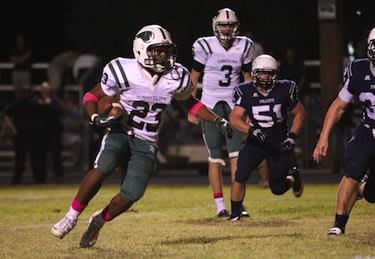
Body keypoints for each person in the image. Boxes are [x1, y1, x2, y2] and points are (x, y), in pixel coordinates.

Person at [50, 24, 233, 248]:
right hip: (121, 130)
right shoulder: (123, 69)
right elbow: (91, 95)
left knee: (132, 194)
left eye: (166, 50)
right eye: (158, 50)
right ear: (141, 50)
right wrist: (96, 117)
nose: (164, 56)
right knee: (101, 170)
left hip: (147, 139)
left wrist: (216, 119)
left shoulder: (177, 76)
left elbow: (190, 104)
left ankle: (98, 221)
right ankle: (70, 217)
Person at [189, 8, 254, 217]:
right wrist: (192, 107)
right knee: (215, 157)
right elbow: (194, 78)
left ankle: (237, 204)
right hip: (210, 105)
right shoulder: (204, 46)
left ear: (236, 27)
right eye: (223, 25)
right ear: (215, 26)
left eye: (230, 25)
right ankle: (220, 206)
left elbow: (247, 79)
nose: (226, 29)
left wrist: (251, 108)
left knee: (237, 155)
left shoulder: (244, 46)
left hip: (235, 105)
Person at [312, 27, 375, 236]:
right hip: (368, 128)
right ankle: (339, 224)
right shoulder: (359, 69)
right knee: (353, 168)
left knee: (372, 194)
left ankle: (363, 189)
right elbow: (338, 106)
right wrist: (323, 136)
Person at [228, 54, 306, 221]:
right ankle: (235, 214)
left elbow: (300, 113)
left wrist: (292, 136)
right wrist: (251, 130)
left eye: (269, 73)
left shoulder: (284, 89)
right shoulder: (246, 91)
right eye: (262, 73)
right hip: (255, 142)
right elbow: (234, 119)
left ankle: (292, 178)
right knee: (240, 175)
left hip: (278, 143)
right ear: (255, 74)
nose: (266, 77)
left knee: (277, 189)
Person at [3, 85, 42, 184]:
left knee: (34, 158)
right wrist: (13, 128)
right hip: (21, 133)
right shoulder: (18, 103)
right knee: (20, 158)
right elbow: (6, 115)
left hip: (32, 133)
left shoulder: (34, 103)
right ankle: (17, 178)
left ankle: (38, 178)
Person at [36, 81, 64, 183]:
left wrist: (49, 104)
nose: (45, 91)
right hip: (41, 132)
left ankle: (59, 176)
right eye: (43, 89)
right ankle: (40, 177)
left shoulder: (55, 101)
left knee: (56, 154)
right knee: (40, 155)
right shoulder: (36, 101)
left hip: (53, 131)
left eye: (46, 89)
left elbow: (59, 111)